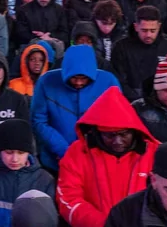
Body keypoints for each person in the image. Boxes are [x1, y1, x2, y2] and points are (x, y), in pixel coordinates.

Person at [55, 89, 160, 227]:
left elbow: (165, 197)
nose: (117, 141)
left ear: (134, 130)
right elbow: (68, 197)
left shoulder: (154, 154)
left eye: (123, 134)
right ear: (97, 132)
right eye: (109, 135)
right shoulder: (77, 153)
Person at [30, 44, 120, 174]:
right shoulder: (46, 82)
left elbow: (116, 120)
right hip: (54, 160)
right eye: (73, 78)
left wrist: (94, 148)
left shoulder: (109, 82)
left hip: (98, 160)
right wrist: (62, 150)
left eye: (83, 78)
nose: (78, 82)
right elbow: (38, 120)